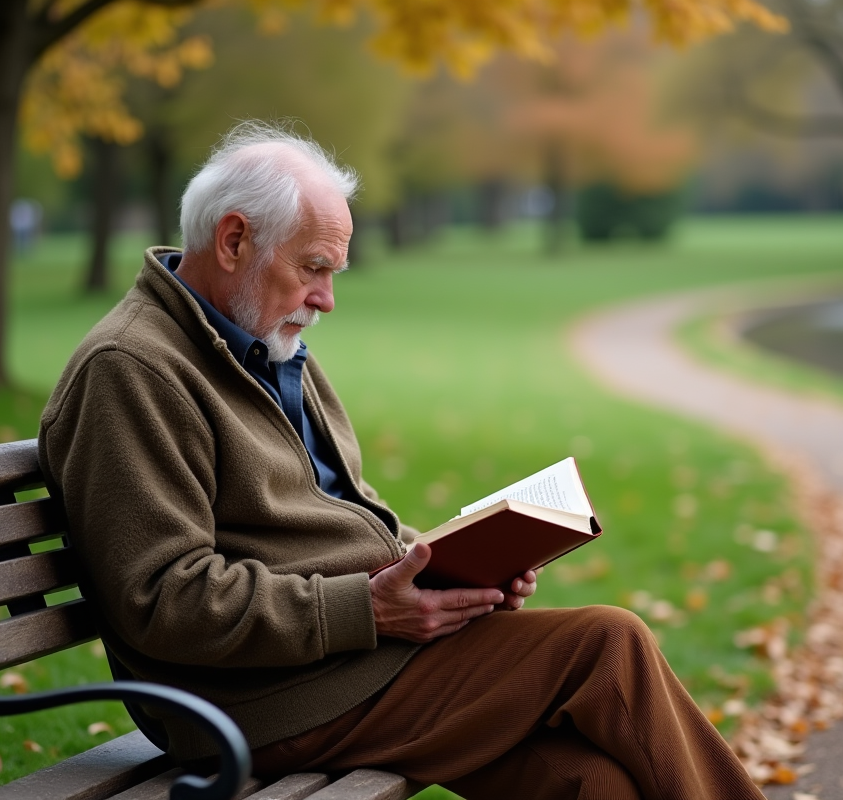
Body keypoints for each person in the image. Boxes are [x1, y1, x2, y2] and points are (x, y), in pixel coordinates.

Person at [38, 121, 766, 800]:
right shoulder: (132, 369)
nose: (326, 298)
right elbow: (162, 600)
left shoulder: (266, 344)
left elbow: (335, 511)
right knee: (608, 644)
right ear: (233, 241)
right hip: (257, 701)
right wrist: (370, 608)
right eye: (313, 269)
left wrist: (448, 565)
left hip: (349, 661)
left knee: (589, 782)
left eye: (335, 272)